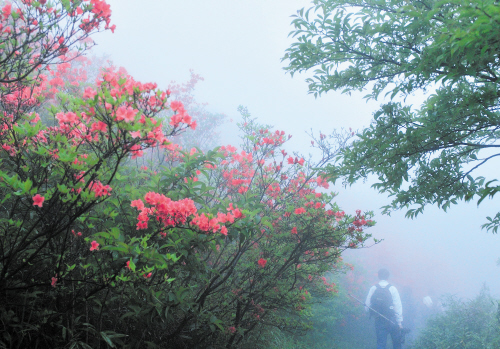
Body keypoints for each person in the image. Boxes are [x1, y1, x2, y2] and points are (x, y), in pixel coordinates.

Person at [365, 269, 403, 349]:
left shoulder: (373, 288)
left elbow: (367, 306)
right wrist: (399, 322)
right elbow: (397, 306)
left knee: (381, 343)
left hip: (379, 319)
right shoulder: (393, 288)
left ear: (378, 276)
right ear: (388, 277)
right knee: (396, 344)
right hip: (392, 320)